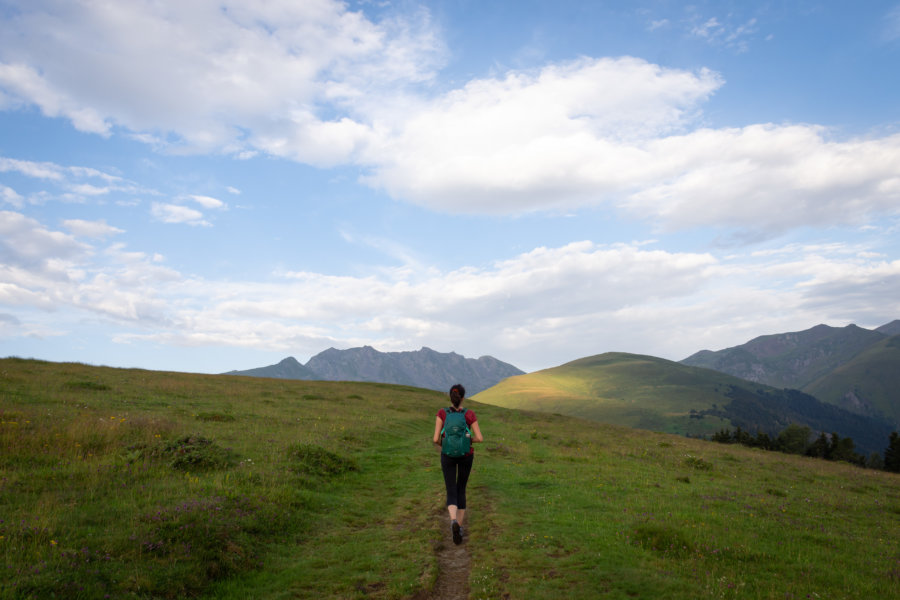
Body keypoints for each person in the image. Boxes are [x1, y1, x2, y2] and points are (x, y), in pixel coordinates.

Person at [433, 383, 483, 544]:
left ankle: (453, 520)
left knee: (451, 489)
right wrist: (468, 442)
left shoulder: (442, 413)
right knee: (461, 488)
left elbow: (435, 439)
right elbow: (480, 438)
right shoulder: (469, 414)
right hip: (466, 455)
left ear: (450, 396)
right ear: (463, 398)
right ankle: (459, 528)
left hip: (447, 455)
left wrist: (445, 445)